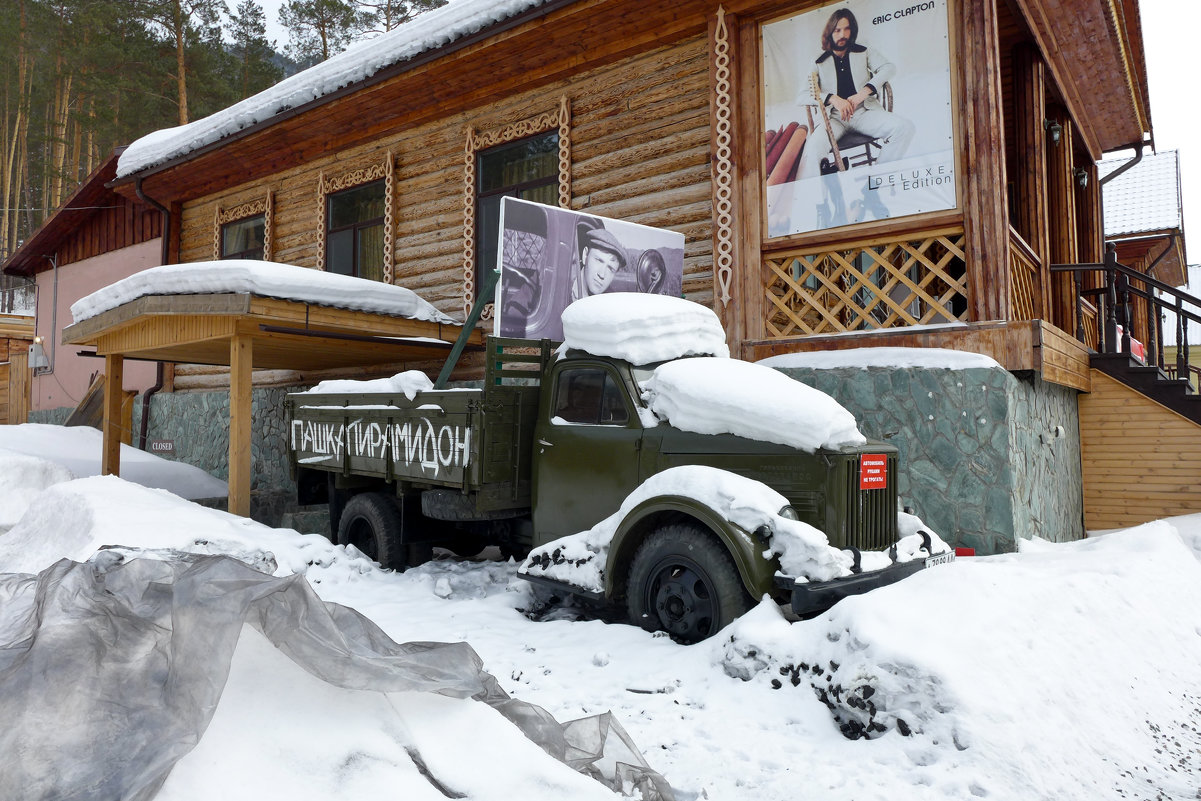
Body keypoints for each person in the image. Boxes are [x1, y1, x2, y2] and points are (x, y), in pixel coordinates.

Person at [796, 8, 914, 181]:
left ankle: (876, 183)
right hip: (834, 119)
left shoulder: (863, 50)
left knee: (905, 128)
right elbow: (802, 95)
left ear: (852, 30)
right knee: (813, 148)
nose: (842, 34)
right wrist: (833, 99)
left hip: (864, 113)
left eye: (847, 29)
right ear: (830, 32)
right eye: (837, 30)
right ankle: (818, 199)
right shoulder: (818, 60)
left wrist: (864, 92)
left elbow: (889, 68)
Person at [570, 225, 627, 301]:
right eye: (599, 261)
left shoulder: (608, 302)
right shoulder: (563, 287)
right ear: (585, 255)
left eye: (610, 269)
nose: (602, 274)